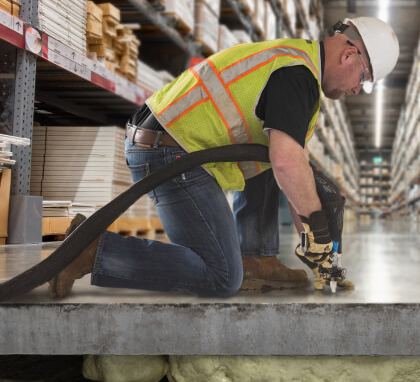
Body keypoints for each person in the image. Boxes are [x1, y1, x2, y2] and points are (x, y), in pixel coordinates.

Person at [48, 17, 399, 299]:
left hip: (172, 144)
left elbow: (294, 171)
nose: (357, 89)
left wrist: (316, 244)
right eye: (365, 78)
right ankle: (95, 251)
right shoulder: (298, 75)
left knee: (271, 155)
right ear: (349, 54)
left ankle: (256, 257)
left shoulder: (297, 61)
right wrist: (319, 226)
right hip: (169, 153)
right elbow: (287, 163)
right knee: (221, 277)